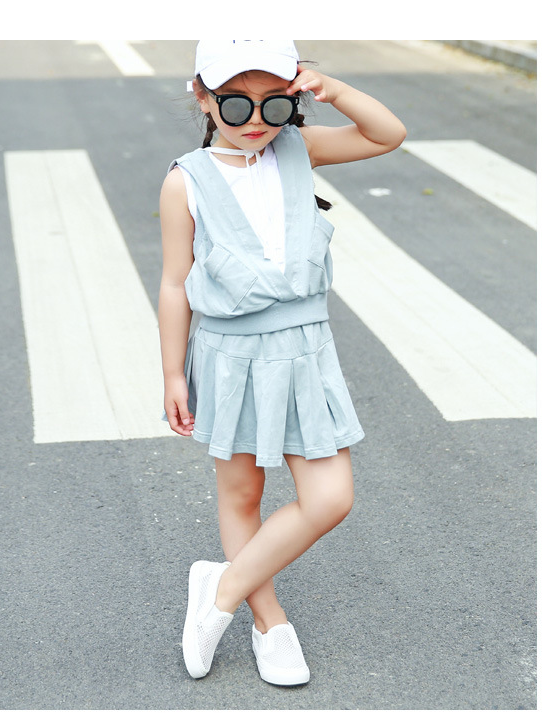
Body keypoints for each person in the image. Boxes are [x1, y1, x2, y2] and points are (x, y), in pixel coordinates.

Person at [158, 40, 406, 686]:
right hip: (230, 354)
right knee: (243, 492)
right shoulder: (186, 180)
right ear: (203, 97)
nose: (256, 120)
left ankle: (220, 590)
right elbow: (174, 283)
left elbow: (388, 134)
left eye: (274, 103)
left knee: (331, 497)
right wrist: (173, 372)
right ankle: (269, 623)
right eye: (235, 103)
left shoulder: (299, 149)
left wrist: (334, 90)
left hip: (303, 350)